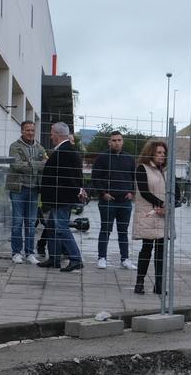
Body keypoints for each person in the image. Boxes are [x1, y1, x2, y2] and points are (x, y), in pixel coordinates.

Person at [37, 121, 86, 272]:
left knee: (61, 227)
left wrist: (76, 191)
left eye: (52, 133)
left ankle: (76, 258)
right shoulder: (68, 150)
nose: (50, 136)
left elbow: (68, 177)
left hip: (61, 198)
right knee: (52, 226)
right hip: (60, 196)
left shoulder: (64, 152)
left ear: (58, 135)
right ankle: (54, 258)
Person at [91, 132, 137, 270]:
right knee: (105, 229)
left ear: (123, 142)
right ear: (109, 142)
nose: (117, 142)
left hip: (125, 201)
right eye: (114, 140)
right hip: (108, 201)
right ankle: (102, 258)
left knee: (123, 231)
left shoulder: (129, 158)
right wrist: (103, 193)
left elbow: (134, 177)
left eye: (119, 140)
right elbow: (95, 177)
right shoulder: (102, 158)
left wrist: (132, 192)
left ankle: (125, 259)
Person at [132, 139, 168, 295]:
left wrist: (169, 204)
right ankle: (139, 282)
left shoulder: (164, 171)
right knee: (147, 248)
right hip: (148, 213)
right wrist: (161, 204)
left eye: (164, 153)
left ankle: (159, 283)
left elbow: (175, 190)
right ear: (151, 153)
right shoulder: (142, 169)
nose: (162, 156)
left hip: (161, 215)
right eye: (159, 153)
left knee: (161, 250)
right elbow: (144, 192)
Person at [7, 120, 46, 264]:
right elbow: (17, 165)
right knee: (17, 222)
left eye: (32, 130)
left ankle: (30, 253)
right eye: (27, 130)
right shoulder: (14, 146)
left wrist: (29, 164)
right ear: (22, 131)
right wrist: (37, 164)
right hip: (18, 188)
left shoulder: (40, 148)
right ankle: (16, 253)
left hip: (34, 189)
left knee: (31, 222)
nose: (30, 133)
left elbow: (45, 164)